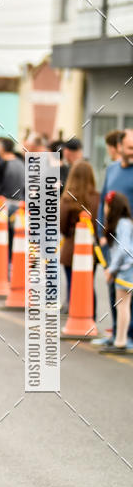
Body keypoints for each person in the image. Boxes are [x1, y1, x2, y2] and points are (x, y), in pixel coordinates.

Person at [97, 130, 133, 347]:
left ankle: (128, 336)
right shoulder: (111, 170)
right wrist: (101, 233)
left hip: (129, 243)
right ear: (119, 147)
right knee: (113, 289)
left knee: (127, 291)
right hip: (111, 241)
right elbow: (103, 201)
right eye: (129, 147)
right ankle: (117, 334)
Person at [60, 161, 99, 309]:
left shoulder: (68, 198)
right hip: (91, 248)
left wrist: (69, 233)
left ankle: (73, 310)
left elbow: (62, 225)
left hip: (71, 246)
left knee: (72, 282)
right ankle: (90, 313)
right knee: (88, 284)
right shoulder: (97, 198)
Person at [101, 191, 133, 354]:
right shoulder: (125, 223)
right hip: (125, 270)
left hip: (125, 271)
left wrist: (112, 269)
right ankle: (120, 339)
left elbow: (123, 249)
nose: (105, 209)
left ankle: (120, 341)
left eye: (107, 205)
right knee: (123, 306)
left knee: (122, 306)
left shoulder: (122, 224)